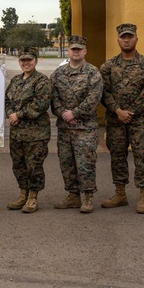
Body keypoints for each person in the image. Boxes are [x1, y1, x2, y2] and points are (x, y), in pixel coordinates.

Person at [99, 23, 144, 213]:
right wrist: (117, 110)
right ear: (118, 40)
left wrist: (129, 112)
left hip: (139, 120)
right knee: (117, 156)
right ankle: (120, 193)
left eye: (130, 37)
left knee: (142, 157)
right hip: (115, 120)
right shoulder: (108, 66)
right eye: (123, 37)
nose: (126, 40)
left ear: (136, 39)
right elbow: (104, 92)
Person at [50, 35, 104, 214]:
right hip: (65, 128)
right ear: (68, 50)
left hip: (85, 128)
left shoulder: (93, 72)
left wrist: (74, 113)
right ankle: (73, 195)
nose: (76, 51)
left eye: (79, 49)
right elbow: (53, 97)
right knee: (67, 162)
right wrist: (63, 114)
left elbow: (94, 98)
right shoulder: (58, 73)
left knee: (85, 163)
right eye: (73, 48)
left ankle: (88, 197)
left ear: (85, 51)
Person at [4, 46, 52, 213]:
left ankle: (33, 197)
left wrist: (19, 115)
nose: (26, 63)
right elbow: (7, 100)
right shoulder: (16, 80)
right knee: (18, 165)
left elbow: (40, 104)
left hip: (36, 134)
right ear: (19, 62)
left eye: (29, 60)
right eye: (23, 60)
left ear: (36, 61)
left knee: (34, 166)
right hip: (17, 133)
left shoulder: (42, 81)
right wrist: (10, 113)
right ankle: (23, 193)